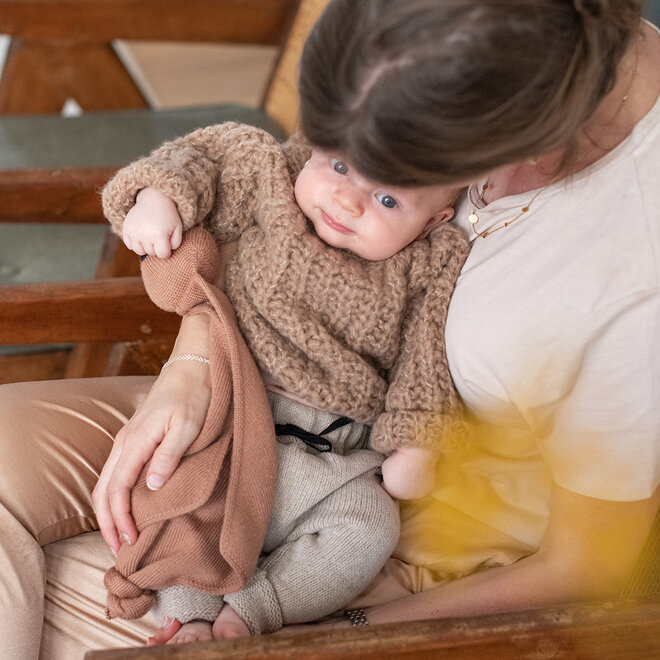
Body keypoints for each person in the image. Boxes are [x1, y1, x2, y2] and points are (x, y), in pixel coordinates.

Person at [0, 0, 658, 657]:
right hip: (239, 396)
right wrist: (198, 359)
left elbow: (585, 568)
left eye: (390, 188)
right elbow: (277, 199)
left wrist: (313, 638)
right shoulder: (453, 43)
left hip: (402, 540)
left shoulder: (633, 278)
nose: (347, 190)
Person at [100, 119, 468, 642]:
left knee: (370, 525)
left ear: (434, 220)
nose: (346, 202)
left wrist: (417, 442)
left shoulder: (434, 261)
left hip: (329, 457)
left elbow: (426, 361)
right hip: (230, 418)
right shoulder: (275, 175)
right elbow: (204, 157)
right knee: (169, 490)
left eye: (389, 201)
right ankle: (188, 615)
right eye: (339, 167)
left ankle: (251, 612)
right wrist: (158, 197)